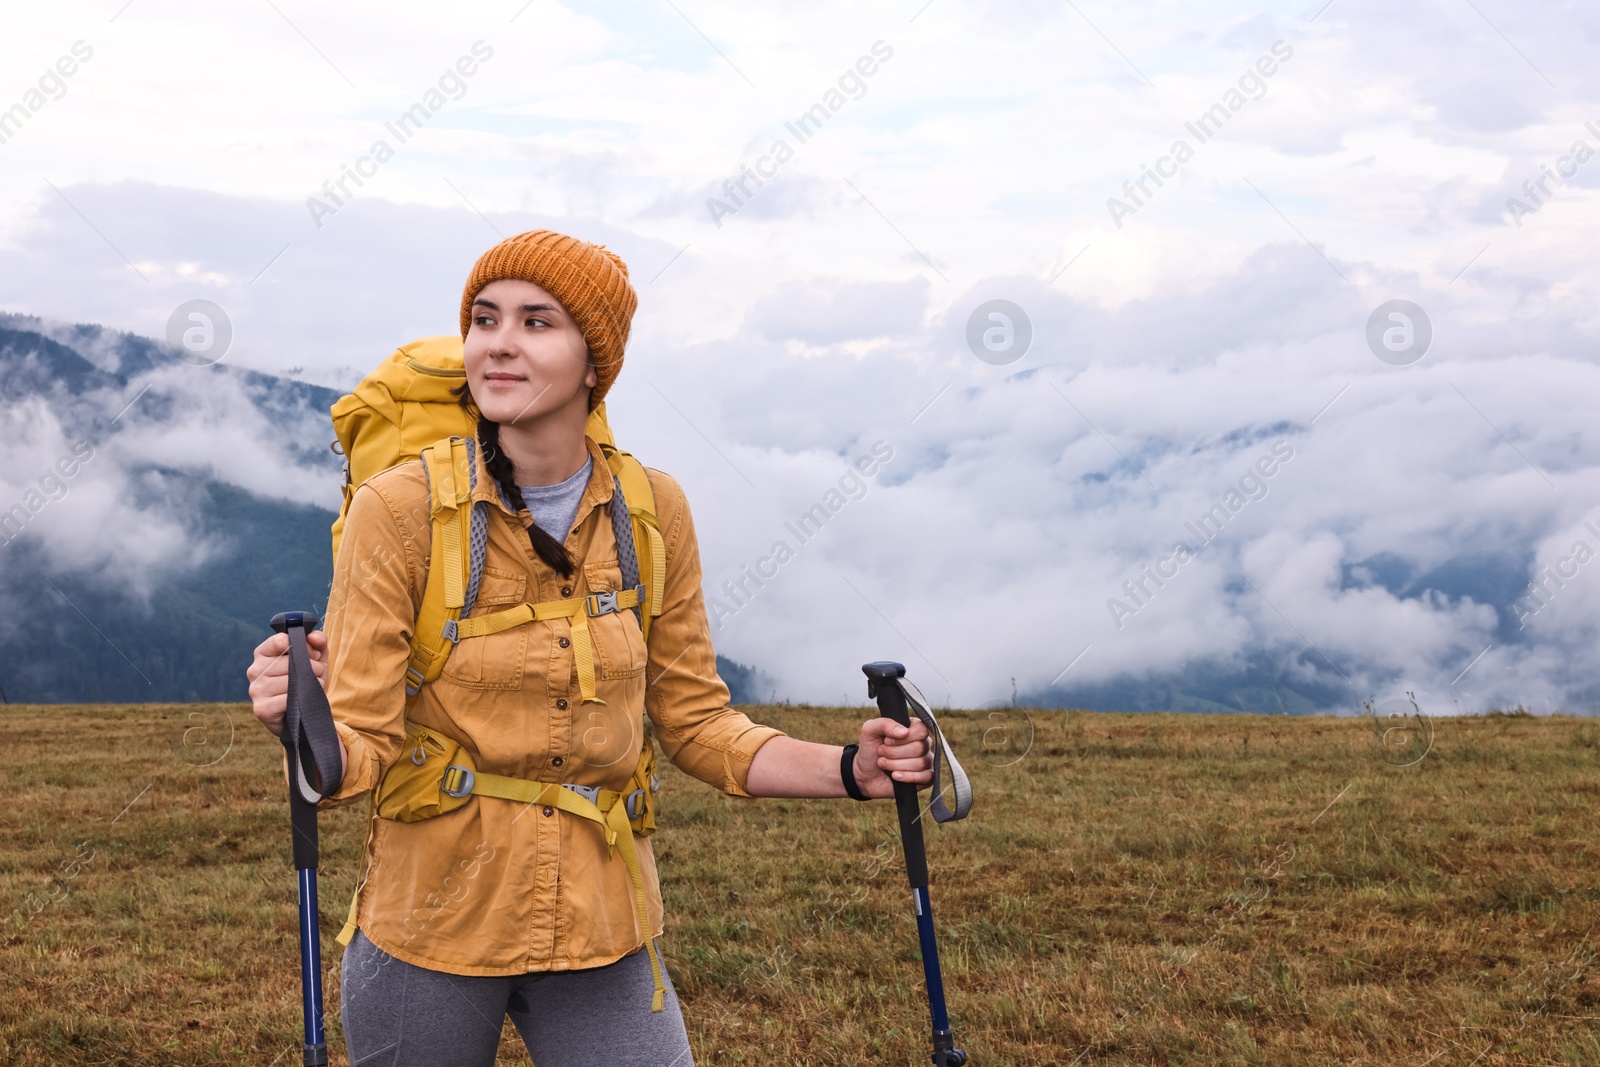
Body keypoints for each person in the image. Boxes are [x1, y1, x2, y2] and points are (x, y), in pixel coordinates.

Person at [245, 229, 936, 1067]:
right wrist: (303, 722)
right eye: (485, 318)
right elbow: (357, 748)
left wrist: (849, 770)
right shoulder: (396, 510)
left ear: (593, 360)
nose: (499, 343)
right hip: (429, 926)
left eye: (538, 322)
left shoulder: (650, 510)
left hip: (604, 926)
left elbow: (697, 725)